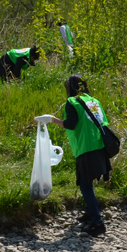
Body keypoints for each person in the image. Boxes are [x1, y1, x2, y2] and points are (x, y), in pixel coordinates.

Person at [41, 75, 111, 236]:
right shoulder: (94, 101)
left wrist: (52, 119)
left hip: (86, 147)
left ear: (69, 88)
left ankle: (97, 222)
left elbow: (70, 125)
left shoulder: (72, 102)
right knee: (87, 181)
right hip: (100, 145)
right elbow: (104, 122)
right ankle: (88, 214)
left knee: (85, 185)